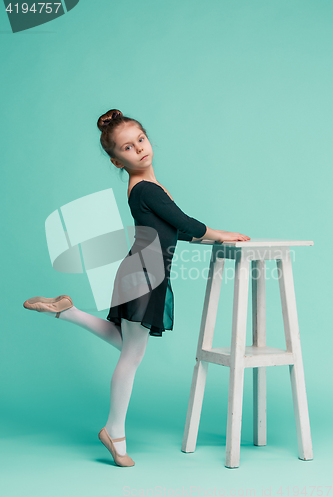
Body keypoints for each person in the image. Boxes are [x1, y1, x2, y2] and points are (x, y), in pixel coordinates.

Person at [23, 109, 250, 467]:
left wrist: (216, 241)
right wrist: (220, 233)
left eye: (141, 140)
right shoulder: (145, 188)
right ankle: (114, 432)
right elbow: (185, 222)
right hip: (145, 274)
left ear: (148, 139)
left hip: (142, 270)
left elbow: (178, 232)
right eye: (128, 148)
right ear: (117, 160)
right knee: (132, 355)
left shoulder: (150, 188)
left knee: (128, 345)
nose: (139, 149)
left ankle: (69, 312)